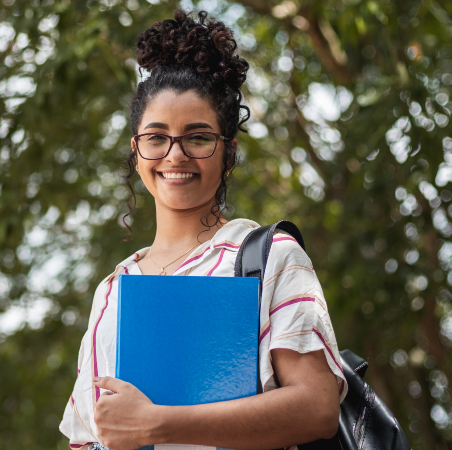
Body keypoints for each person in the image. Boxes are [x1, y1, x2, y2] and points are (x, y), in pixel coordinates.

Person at [59, 10, 347, 450]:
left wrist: (159, 424)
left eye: (197, 137)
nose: (174, 156)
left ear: (228, 153)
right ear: (136, 153)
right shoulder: (115, 289)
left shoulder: (268, 257)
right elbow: (89, 435)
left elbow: (317, 408)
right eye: (156, 137)